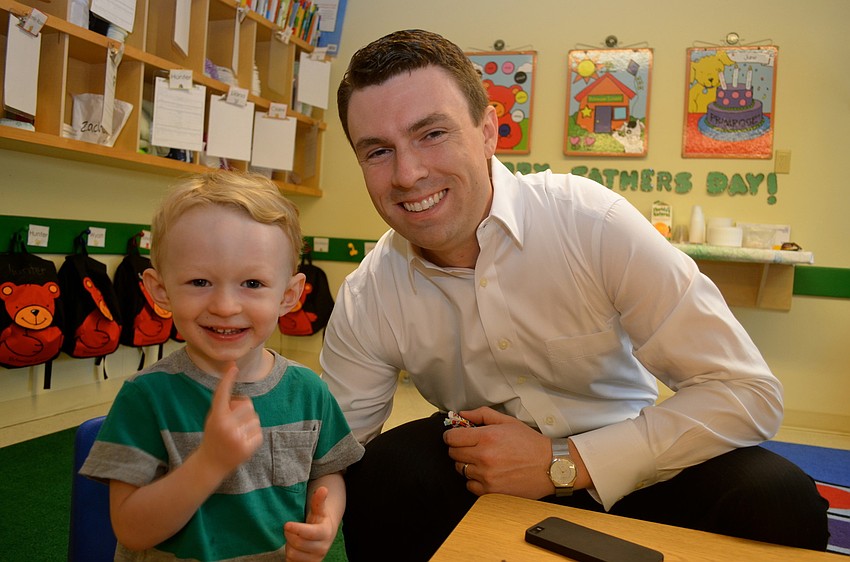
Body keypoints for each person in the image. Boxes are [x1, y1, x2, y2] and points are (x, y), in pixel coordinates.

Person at [323, 29, 829, 560]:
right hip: (484, 480)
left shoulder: (590, 223)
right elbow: (331, 451)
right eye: (379, 151)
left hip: (631, 471)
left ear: (489, 130)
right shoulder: (370, 292)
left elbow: (746, 392)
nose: (409, 174)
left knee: (780, 499)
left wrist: (564, 463)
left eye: (432, 134)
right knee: (385, 474)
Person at [80, 171, 363, 561]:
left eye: (252, 283)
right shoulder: (146, 398)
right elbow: (132, 529)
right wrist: (209, 463)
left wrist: (326, 518)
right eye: (199, 282)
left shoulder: (308, 391)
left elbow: (328, 470)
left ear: (289, 295)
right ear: (159, 290)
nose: (225, 307)